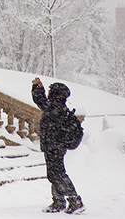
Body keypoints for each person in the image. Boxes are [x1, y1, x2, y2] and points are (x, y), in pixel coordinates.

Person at [31, 77, 85, 214]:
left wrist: (37, 89)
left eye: (50, 91)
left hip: (54, 146)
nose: (48, 93)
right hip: (54, 146)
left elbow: (41, 102)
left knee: (57, 174)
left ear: (55, 93)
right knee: (54, 173)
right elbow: (43, 102)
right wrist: (39, 88)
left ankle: (75, 201)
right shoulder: (58, 106)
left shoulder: (56, 108)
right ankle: (59, 201)